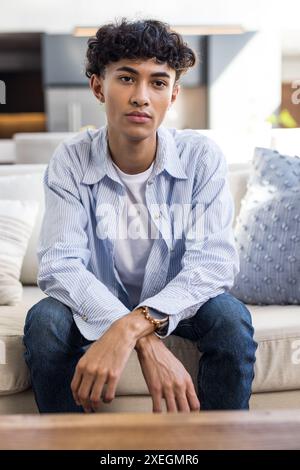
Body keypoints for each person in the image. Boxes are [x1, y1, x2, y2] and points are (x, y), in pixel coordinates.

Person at [23, 18, 257, 414]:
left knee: (231, 319)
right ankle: (70, 443)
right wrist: (141, 336)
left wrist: (134, 325)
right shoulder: (70, 160)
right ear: (98, 86)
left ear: (174, 93)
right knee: (44, 321)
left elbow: (213, 263)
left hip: (179, 305)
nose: (142, 97)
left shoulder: (200, 157)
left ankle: (221, 441)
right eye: (127, 79)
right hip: (95, 303)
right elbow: (60, 264)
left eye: (158, 82)